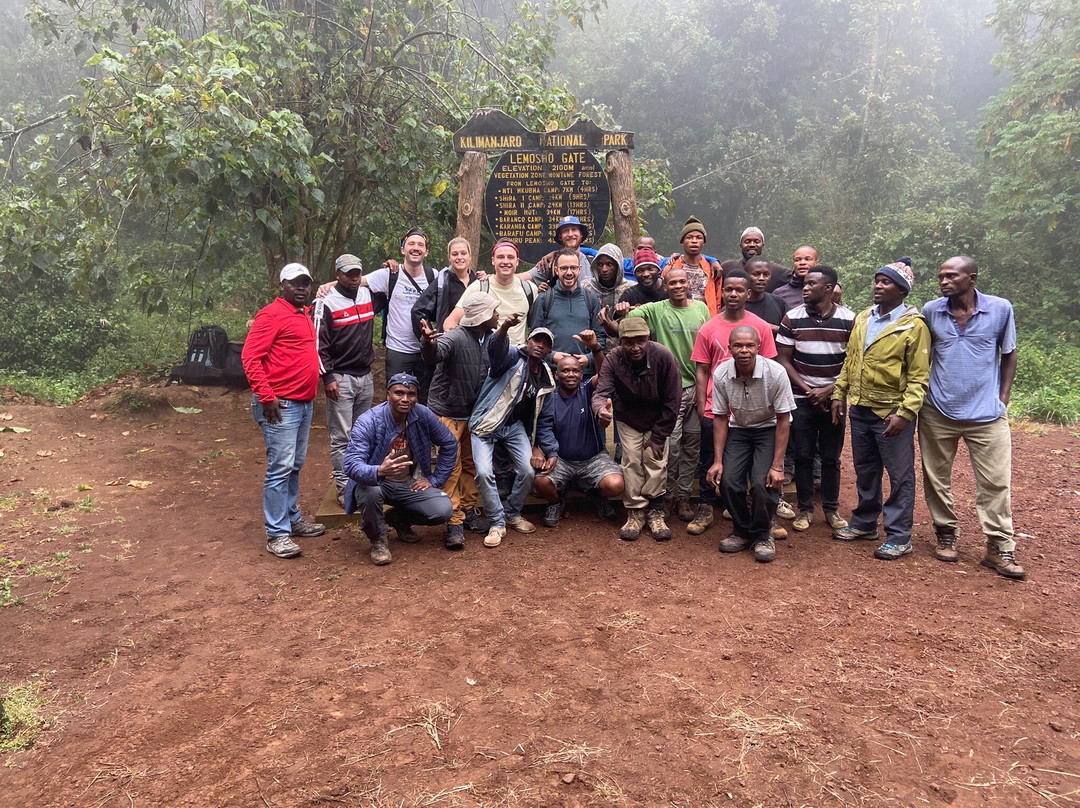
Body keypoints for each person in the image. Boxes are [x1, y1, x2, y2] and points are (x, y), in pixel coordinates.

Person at [919, 256, 1024, 580]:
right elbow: (925, 356)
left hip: (987, 415)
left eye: (952, 276)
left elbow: (1009, 354)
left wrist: (1002, 399)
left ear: (972, 278)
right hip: (938, 410)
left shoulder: (1000, 309)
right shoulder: (931, 311)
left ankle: (998, 547)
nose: (944, 281)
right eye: (941, 276)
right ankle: (946, 533)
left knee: (995, 482)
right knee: (936, 478)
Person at [831, 261, 930, 560]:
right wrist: (839, 393)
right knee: (866, 469)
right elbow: (851, 361)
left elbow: (919, 376)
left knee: (900, 475)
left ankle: (899, 535)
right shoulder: (863, 318)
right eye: (877, 281)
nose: (878, 286)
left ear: (901, 289)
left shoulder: (914, 326)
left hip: (890, 413)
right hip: (859, 407)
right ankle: (864, 523)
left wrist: (905, 413)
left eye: (886, 282)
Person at [241, 263, 326, 559]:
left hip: (303, 402)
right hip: (281, 405)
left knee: (294, 464)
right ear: (282, 286)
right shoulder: (271, 314)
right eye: (295, 283)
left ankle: (291, 517)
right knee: (279, 467)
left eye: (306, 283)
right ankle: (277, 533)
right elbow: (250, 357)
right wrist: (266, 396)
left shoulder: (303, 314)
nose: (301, 288)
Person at [687, 270, 778, 536]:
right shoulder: (709, 327)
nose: (734, 294)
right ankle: (706, 507)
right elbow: (702, 369)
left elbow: (769, 368)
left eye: (739, 290)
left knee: (750, 461)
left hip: (751, 410)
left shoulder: (759, 326)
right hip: (716, 406)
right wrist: (702, 403)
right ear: (722, 292)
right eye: (728, 289)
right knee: (709, 458)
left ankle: (755, 512)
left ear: (748, 294)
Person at [623, 266, 710, 521]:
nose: (678, 286)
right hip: (672, 390)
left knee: (692, 446)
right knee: (669, 447)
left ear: (688, 284)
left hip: (699, 386)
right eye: (673, 283)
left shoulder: (702, 309)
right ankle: (666, 497)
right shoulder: (657, 309)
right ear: (665, 285)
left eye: (682, 282)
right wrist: (620, 313)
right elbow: (627, 323)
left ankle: (683, 496)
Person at [342, 374, 457, 566]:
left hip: (408, 483)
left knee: (443, 509)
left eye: (411, 394)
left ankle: (398, 519)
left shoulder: (422, 415)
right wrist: (378, 471)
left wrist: (434, 479)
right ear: (388, 395)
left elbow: (449, 443)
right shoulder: (369, 421)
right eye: (399, 393)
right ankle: (378, 539)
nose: (405, 399)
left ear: (416, 397)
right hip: (376, 482)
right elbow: (351, 464)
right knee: (370, 493)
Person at [706, 327, 796, 563]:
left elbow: (784, 420)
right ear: (730, 348)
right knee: (729, 481)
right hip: (740, 428)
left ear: (758, 347)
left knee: (762, 483)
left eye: (749, 346)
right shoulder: (722, 373)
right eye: (738, 346)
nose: (744, 351)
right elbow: (720, 417)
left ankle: (763, 534)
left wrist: (777, 465)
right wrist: (717, 461)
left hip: (769, 428)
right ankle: (742, 530)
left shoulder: (775, 373)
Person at [775, 265, 855, 533]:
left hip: (835, 401)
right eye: (805, 284)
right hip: (801, 399)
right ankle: (806, 509)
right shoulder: (792, 318)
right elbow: (783, 359)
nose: (805, 288)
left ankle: (831, 509)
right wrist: (808, 390)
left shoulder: (849, 320)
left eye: (811, 284)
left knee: (831, 457)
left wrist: (831, 391)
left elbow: (853, 363)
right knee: (804, 455)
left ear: (829, 288)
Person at [419, 292, 501, 548]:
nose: (498, 314)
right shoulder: (455, 336)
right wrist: (428, 344)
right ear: (482, 317)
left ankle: (467, 511)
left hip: (473, 413)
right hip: (448, 412)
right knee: (451, 467)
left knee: (471, 464)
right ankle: (454, 521)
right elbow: (435, 354)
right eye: (494, 311)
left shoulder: (488, 338)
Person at [469, 319, 558, 548]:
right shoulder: (510, 357)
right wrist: (504, 328)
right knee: (484, 472)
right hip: (486, 423)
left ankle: (512, 513)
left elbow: (543, 417)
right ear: (527, 341)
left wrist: (545, 448)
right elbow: (495, 349)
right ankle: (497, 524)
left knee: (528, 471)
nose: (539, 345)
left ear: (549, 350)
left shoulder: (546, 377)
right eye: (536, 340)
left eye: (545, 344)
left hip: (514, 427)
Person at [593, 317, 682, 541]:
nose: (635, 348)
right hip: (628, 417)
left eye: (640, 341)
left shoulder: (663, 356)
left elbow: (673, 400)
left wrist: (660, 435)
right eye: (628, 343)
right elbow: (601, 391)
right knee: (631, 460)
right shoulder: (613, 359)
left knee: (655, 460)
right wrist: (600, 409)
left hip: (658, 417)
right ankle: (635, 512)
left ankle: (655, 510)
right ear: (620, 342)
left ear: (648, 339)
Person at [533, 337, 626, 527]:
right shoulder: (549, 399)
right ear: (557, 375)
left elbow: (603, 373)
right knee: (540, 483)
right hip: (561, 460)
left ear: (582, 374)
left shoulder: (588, 391)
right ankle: (556, 502)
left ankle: (597, 495)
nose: (570, 374)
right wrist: (545, 452)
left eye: (575, 370)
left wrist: (595, 348)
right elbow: (543, 429)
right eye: (565, 370)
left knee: (616, 484)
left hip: (592, 459)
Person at [314, 253, 376, 507]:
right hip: (340, 377)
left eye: (357, 273)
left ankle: (361, 479)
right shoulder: (326, 301)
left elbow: (389, 279)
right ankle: (343, 485)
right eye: (348, 273)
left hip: (366, 375)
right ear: (337, 274)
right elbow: (318, 343)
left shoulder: (367, 294)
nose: (353, 278)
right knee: (342, 436)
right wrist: (327, 377)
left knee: (364, 432)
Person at [364, 227, 435, 401]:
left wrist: (484, 277)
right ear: (403, 249)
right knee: (396, 400)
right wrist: (327, 286)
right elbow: (356, 280)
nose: (416, 247)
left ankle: (419, 429)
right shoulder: (389, 274)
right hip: (398, 350)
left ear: (426, 251)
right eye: (411, 243)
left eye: (420, 244)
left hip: (425, 350)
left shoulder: (434, 275)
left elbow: (461, 283)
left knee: (425, 400)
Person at [445, 240, 538, 346]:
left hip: (517, 357)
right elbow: (451, 321)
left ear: (517, 261)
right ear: (493, 261)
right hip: (485, 355)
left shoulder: (529, 289)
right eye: (500, 257)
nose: (505, 261)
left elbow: (538, 324)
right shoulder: (480, 287)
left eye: (510, 257)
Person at [530, 248, 602, 373]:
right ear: (556, 270)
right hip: (551, 373)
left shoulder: (591, 299)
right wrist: (551, 356)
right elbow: (534, 339)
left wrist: (589, 358)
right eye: (564, 268)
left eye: (573, 268)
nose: (569, 272)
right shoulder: (544, 299)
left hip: (583, 373)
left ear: (579, 269)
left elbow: (600, 337)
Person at [410, 236, 478, 340]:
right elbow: (418, 310)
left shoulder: (478, 282)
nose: (459, 257)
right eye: (455, 254)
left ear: (470, 256)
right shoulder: (443, 282)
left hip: (476, 343)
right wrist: (430, 337)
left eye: (463, 253)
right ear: (449, 257)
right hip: (450, 343)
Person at [664, 216, 723, 311]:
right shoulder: (671, 267)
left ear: (703, 242)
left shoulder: (712, 269)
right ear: (682, 242)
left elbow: (718, 298)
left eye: (699, 237)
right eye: (689, 237)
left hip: (706, 319)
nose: (694, 241)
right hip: (677, 317)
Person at [582, 243, 634, 348]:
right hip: (591, 346)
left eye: (609, 264)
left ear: (617, 265)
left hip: (623, 348)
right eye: (600, 265)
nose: (604, 269)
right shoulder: (585, 287)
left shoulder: (631, 289)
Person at [719, 227, 792, 293]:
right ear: (741, 245)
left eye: (757, 241)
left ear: (762, 245)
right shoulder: (727, 267)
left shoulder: (776, 271)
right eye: (747, 241)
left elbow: (798, 280)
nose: (752, 245)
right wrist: (713, 260)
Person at [529, 215, 594, 286]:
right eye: (565, 230)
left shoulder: (593, 263)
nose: (570, 234)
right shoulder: (550, 263)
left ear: (581, 234)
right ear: (560, 237)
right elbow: (523, 278)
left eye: (574, 229)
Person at [744, 255, 789, 333]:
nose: (761, 278)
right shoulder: (736, 304)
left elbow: (789, 332)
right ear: (746, 275)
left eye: (766, 275)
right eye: (756, 274)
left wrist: (773, 328)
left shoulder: (779, 302)